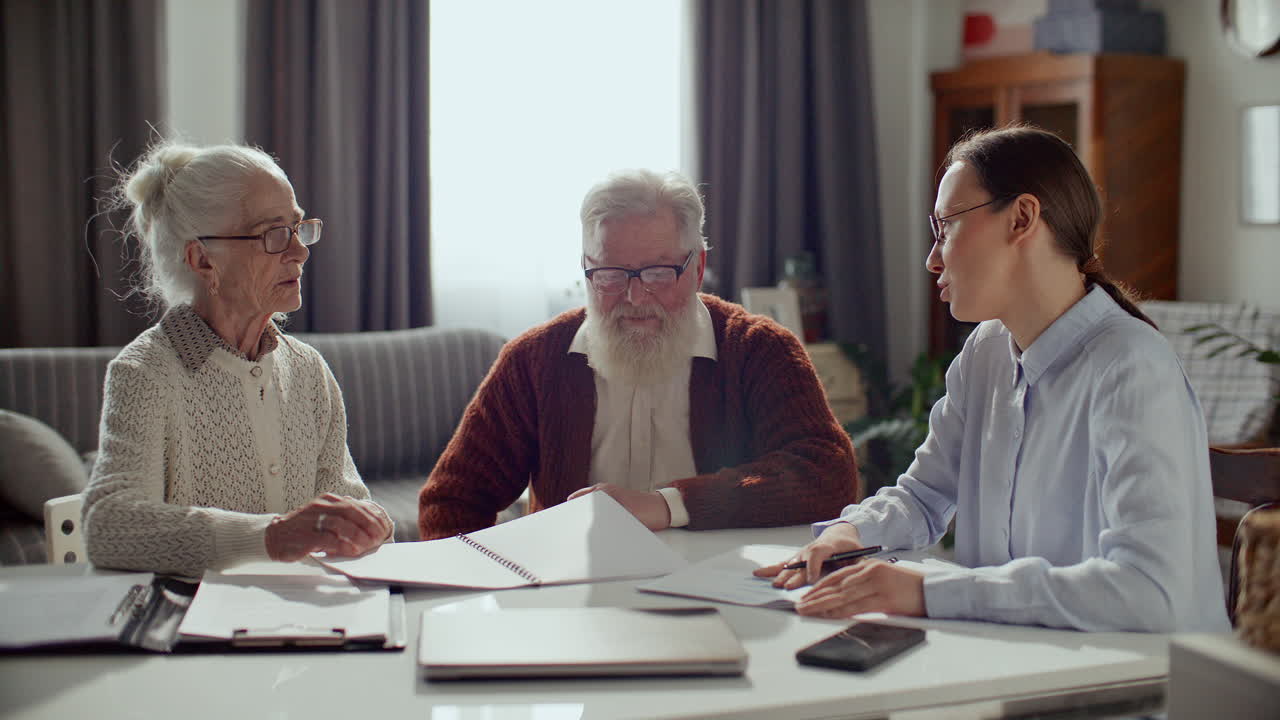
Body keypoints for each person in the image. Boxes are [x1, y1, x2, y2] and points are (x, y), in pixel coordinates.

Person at [756, 126, 1230, 633]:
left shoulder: (1132, 368)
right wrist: (849, 534)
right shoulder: (986, 352)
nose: (932, 259)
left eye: (946, 229)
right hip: (1012, 661)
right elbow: (924, 494)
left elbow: (1150, 592)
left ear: (1022, 218)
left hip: (1138, 690)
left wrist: (927, 592)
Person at [418, 169, 859, 539]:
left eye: (658, 272)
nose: (634, 296)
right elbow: (453, 499)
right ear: (586, 267)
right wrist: (484, 588)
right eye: (609, 274)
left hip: (723, 592)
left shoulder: (758, 350)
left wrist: (666, 506)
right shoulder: (535, 361)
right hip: (570, 597)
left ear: (698, 267)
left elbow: (828, 474)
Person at [83, 142, 392, 577]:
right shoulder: (146, 373)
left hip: (302, 622)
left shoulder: (307, 370)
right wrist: (273, 536)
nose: (300, 252)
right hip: (195, 629)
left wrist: (366, 527)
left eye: (298, 227)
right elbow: (109, 526)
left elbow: (343, 501)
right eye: (273, 234)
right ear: (203, 259)